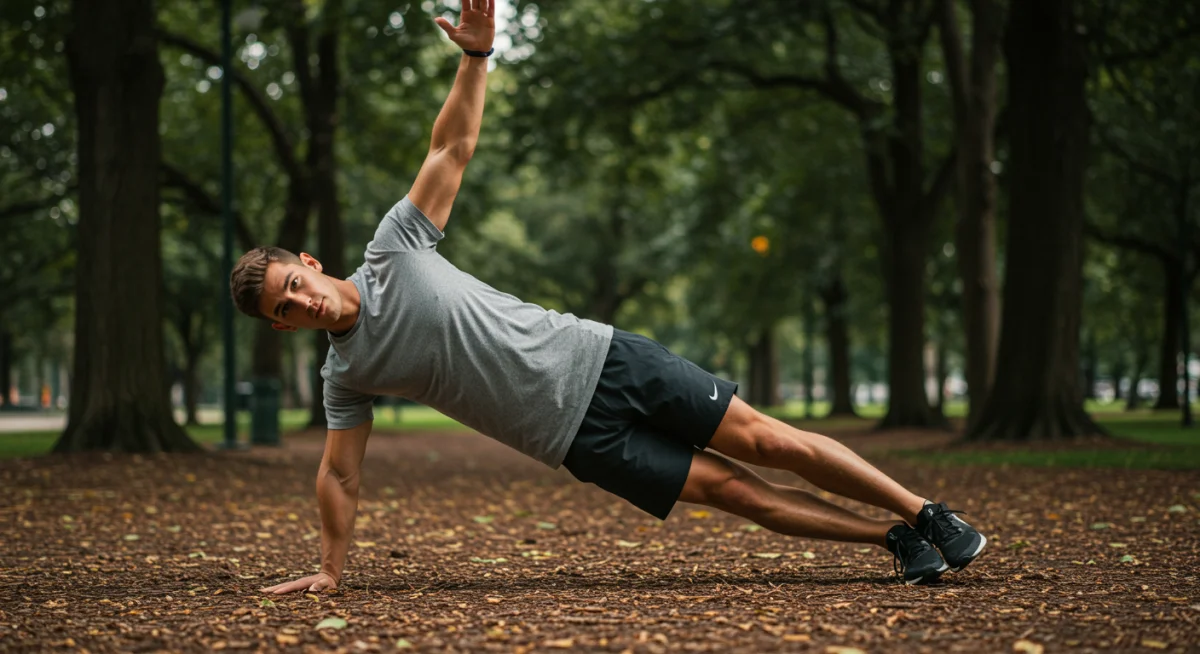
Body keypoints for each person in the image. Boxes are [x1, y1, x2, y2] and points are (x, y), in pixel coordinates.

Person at [231, 0, 986, 593]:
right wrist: (331, 570)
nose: (301, 305)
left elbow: (451, 148)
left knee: (768, 443)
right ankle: (891, 540)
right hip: (579, 442)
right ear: (286, 327)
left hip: (605, 358)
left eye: (294, 285)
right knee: (737, 494)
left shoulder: (394, 245)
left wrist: (478, 57)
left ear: (310, 262)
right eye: (284, 311)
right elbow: (338, 474)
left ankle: (924, 512)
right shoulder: (345, 377)